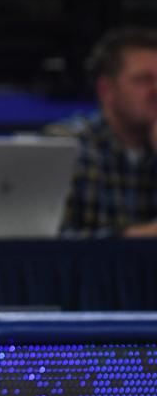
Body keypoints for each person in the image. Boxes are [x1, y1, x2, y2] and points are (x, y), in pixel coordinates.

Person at [46, 27, 157, 238]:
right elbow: (46, 244)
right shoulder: (66, 145)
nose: (156, 90)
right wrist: (132, 237)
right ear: (106, 90)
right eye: (143, 80)